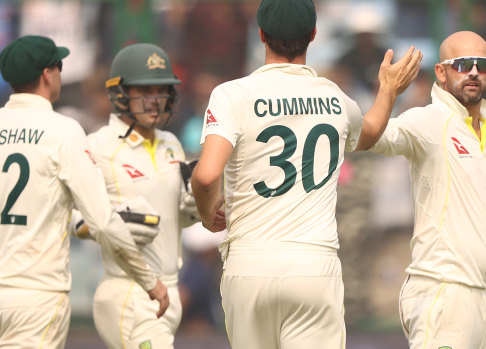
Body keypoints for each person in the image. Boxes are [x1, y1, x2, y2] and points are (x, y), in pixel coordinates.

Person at [191, 0, 422, 348]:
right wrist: (388, 90)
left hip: (250, 262)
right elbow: (369, 133)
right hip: (315, 263)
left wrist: (209, 214)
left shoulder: (231, 95)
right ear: (313, 35)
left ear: (261, 35)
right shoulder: (333, 97)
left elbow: (206, 177)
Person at [0, 35, 168, 348]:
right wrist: (149, 280)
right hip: (36, 296)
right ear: (47, 74)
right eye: (59, 66)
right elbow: (103, 222)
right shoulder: (63, 131)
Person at [362, 31, 486, 348]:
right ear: (441, 73)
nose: (472, 71)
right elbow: (367, 138)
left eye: (481, 64)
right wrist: (388, 90)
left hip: (480, 297)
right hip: (443, 291)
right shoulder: (430, 120)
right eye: (461, 64)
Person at [74, 43, 200, 348]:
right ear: (119, 94)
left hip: (169, 288)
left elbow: (174, 219)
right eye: (144, 91)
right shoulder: (97, 145)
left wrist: (194, 206)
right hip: (129, 291)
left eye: (161, 90)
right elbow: (77, 222)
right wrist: (115, 223)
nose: (155, 101)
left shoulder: (172, 143)